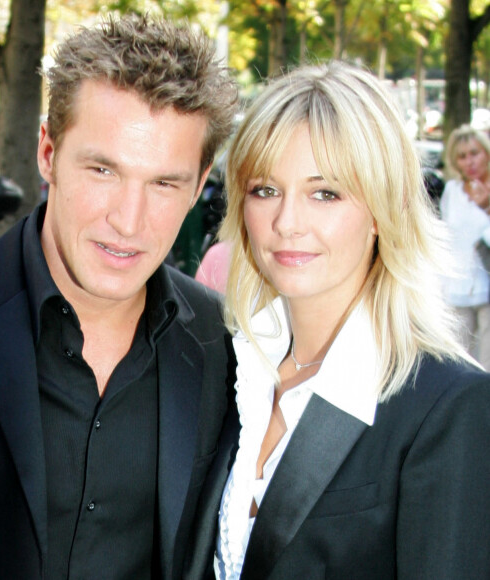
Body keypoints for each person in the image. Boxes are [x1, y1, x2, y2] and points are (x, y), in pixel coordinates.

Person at [0, 14, 239, 579]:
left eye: (164, 182)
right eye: (103, 169)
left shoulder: (222, 344)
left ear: (199, 182)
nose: (128, 220)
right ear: (47, 152)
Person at [186, 62, 490, 579]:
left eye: (324, 193)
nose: (286, 222)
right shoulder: (229, 371)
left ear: (381, 210)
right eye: (265, 189)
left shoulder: (448, 406)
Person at [440, 124, 490, 369]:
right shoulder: (453, 190)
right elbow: (446, 238)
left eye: (474, 152)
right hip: (457, 287)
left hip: (487, 283)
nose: (469, 161)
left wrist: (486, 206)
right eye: (462, 156)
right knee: (460, 361)